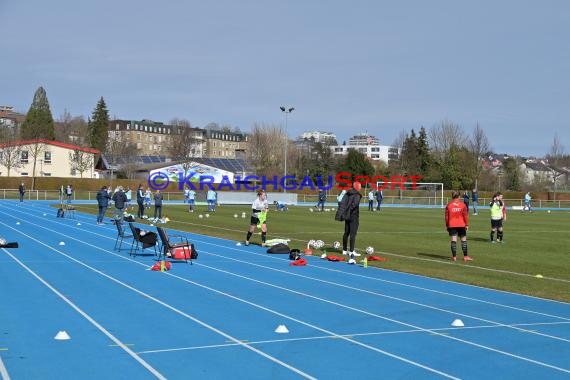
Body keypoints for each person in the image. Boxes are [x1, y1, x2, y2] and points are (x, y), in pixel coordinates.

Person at [335, 181, 362, 258]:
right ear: (357, 187)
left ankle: (344, 250)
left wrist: (345, 213)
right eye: (359, 186)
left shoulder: (348, 193)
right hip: (353, 216)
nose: (360, 187)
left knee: (346, 233)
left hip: (347, 216)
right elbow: (354, 205)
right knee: (353, 234)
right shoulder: (357, 195)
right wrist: (350, 212)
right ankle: (351, 251)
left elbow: (343, 203)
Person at [445, 190, 472, 262]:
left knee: (454, 239)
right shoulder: (463, 205)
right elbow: (465, 216)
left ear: (452, 196)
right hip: (461, 224)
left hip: (452, 224)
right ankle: (465, 257)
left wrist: (447, 225)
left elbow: (446, 217)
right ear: (459, 196)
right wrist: (466, 224)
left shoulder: (449, 205)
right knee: (463, 239)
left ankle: (454, 257)